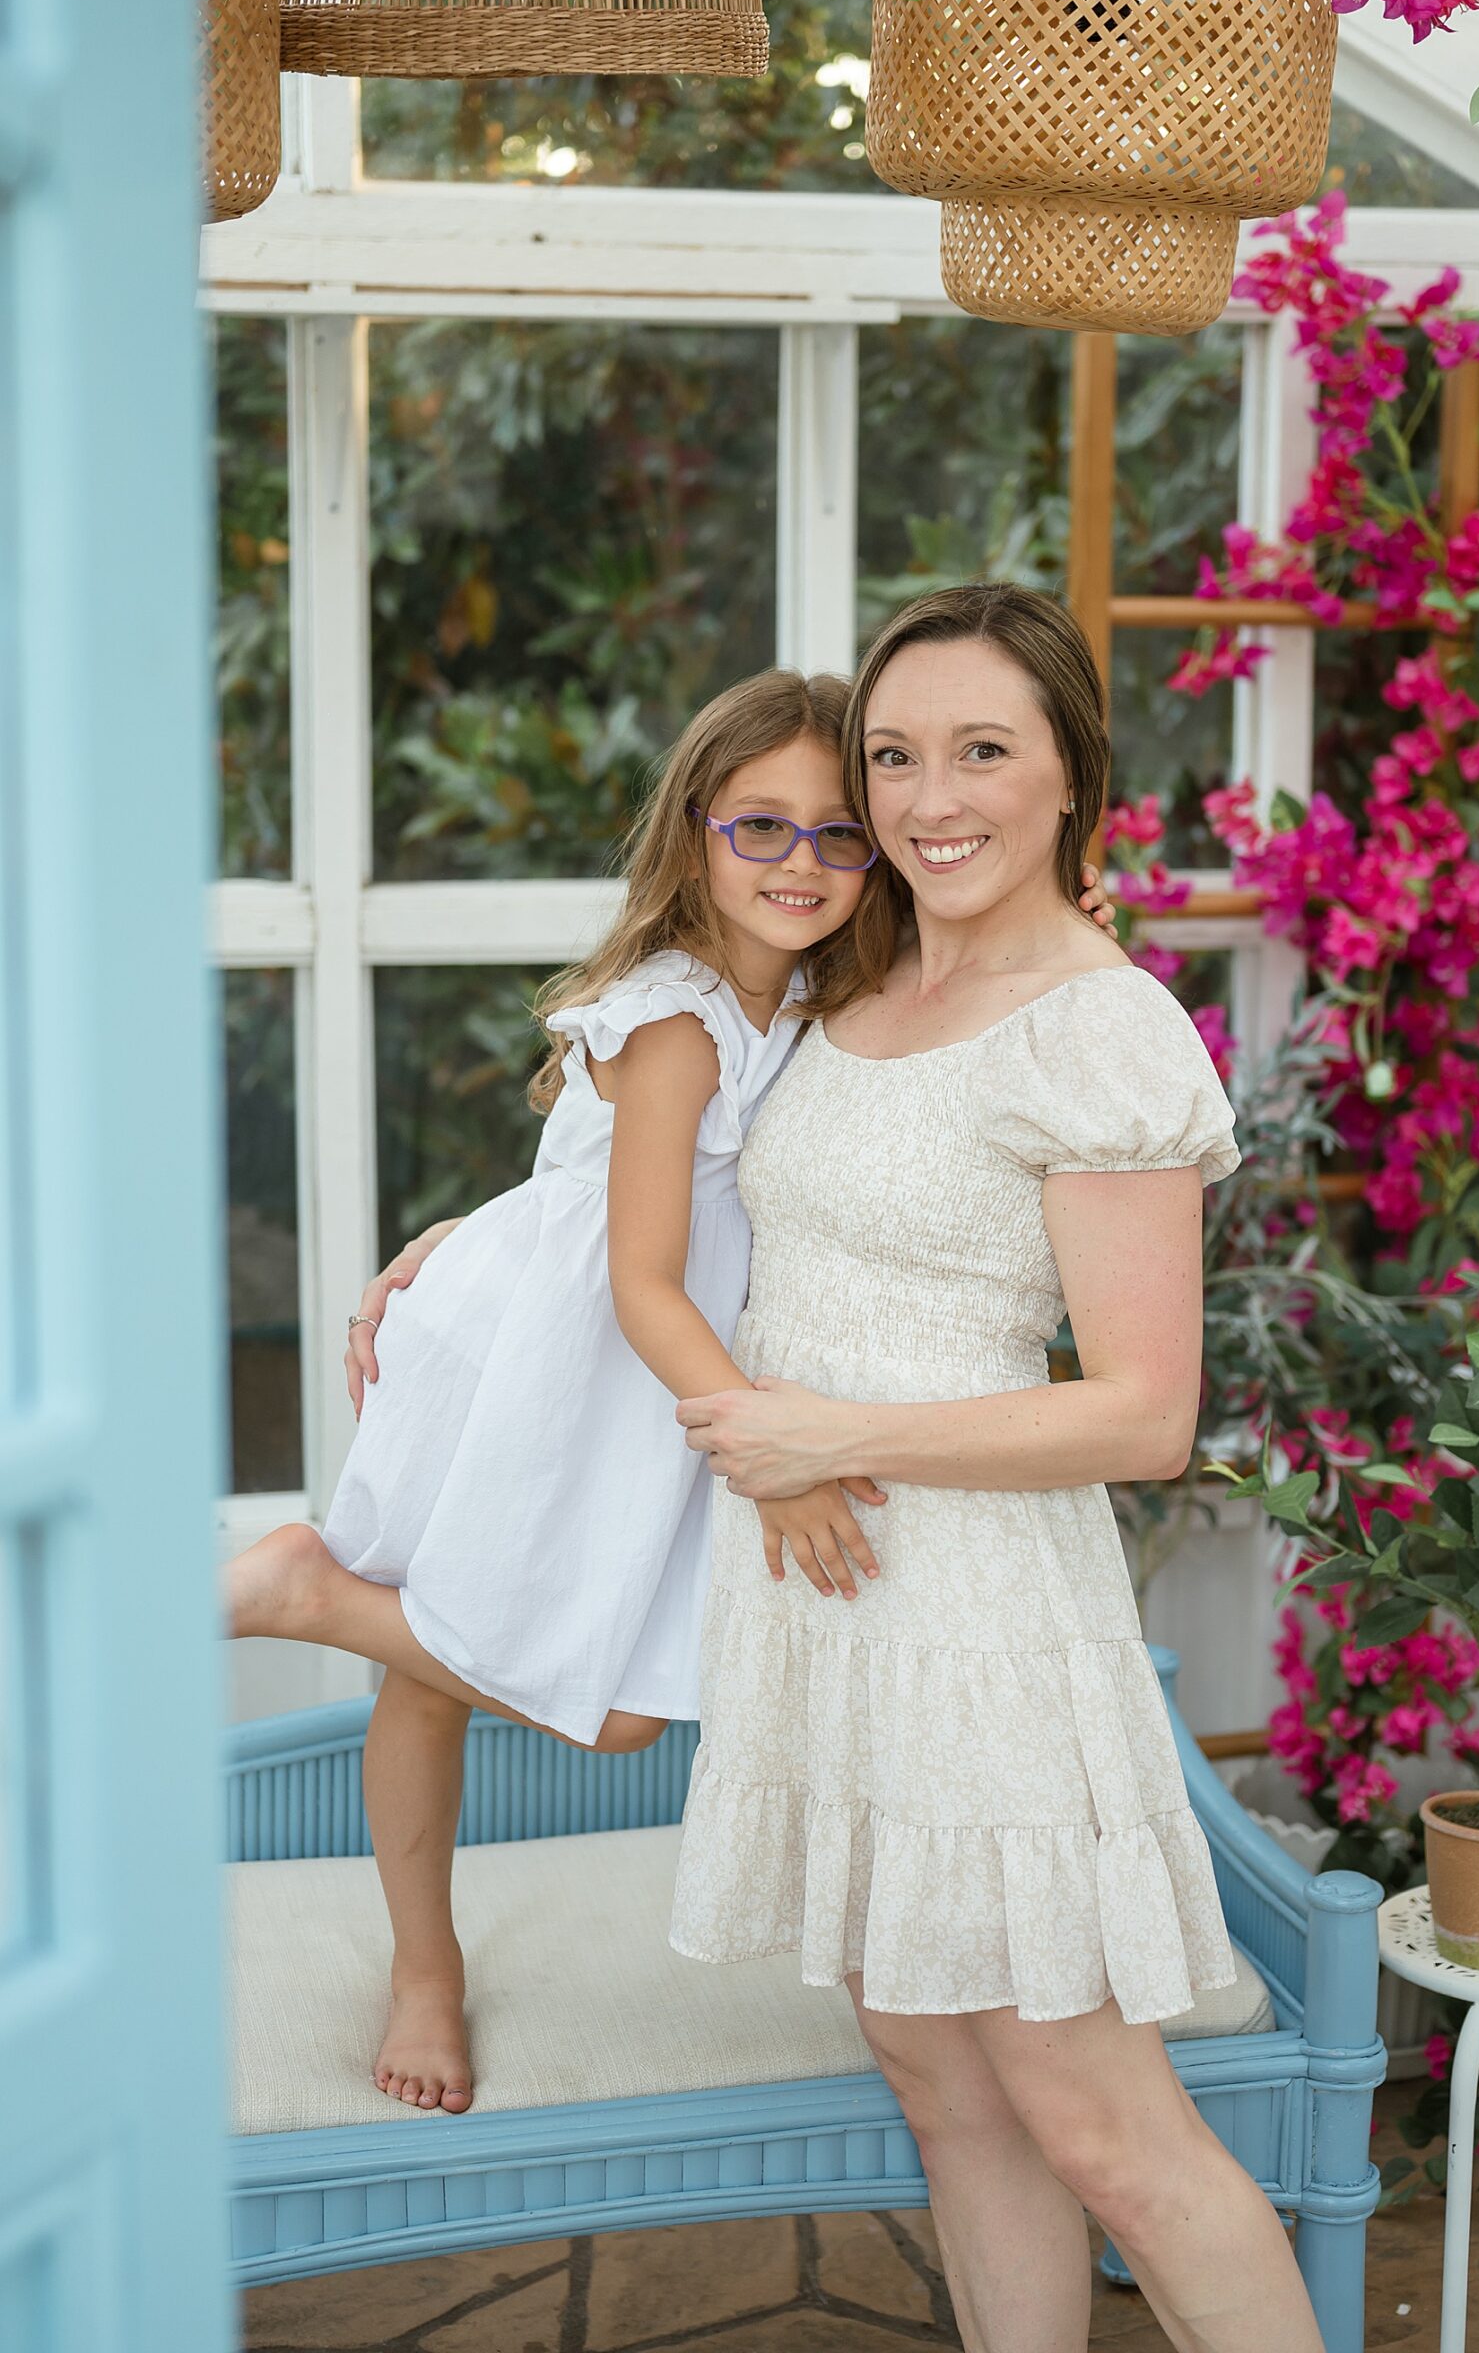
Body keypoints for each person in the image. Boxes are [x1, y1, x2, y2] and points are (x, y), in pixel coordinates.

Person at [225, 667, 1120, 2117]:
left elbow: (633, 1205)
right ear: (693, 829)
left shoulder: (812, 1000)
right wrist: (783, 1459)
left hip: (619, 1374)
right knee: (496, 1682)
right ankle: (416, 1944)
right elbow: (638, 1273)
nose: (801, 863)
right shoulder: (681, 1019)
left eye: (839, 836)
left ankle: (320, 1615)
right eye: (758, 827)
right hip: (565, 1365)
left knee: (601, 1697)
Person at [666, 585, 1328, 2353]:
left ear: (1068, 779)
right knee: (938, 2088)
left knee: (1108, 2128)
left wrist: (834, 1435)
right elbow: (671, 1171)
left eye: (980, 751)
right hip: (835, 1623)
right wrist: (447, 1257)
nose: (926, 798)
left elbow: (1141, 1414)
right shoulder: (848, 970)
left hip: (985, 1638)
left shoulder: (1098, 1030)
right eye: (895, 755)